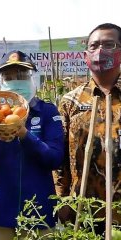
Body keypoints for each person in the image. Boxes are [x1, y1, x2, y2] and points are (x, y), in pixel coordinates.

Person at [0, 50, 64, 240]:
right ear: (0, 82)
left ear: (32, 79)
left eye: (21, 75)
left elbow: (54, 158)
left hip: (38, 213)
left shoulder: (46, 111)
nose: (15, 81)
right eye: (9, 77)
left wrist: (24, 134)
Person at [54, 23, 121, 235]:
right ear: (86, 55)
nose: (100, 51)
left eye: (109, 45)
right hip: (82, 210)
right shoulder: (71, 101)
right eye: (94, 46)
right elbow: (60, 155)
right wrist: (61, 198)